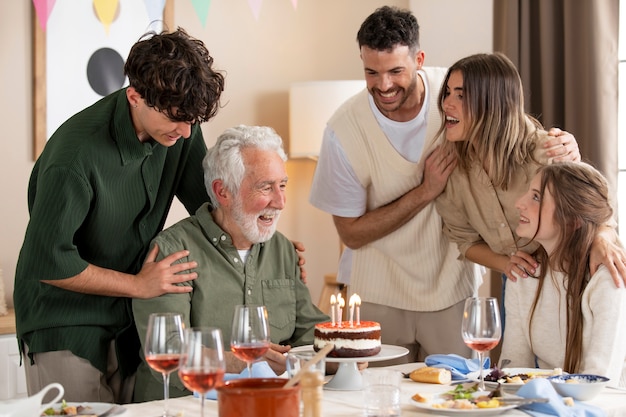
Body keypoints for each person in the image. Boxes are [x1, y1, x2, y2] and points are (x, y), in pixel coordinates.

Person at [309, 6, 578, 362]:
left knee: (460, 397)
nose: (384, 85)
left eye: (396, 71)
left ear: (419, 59)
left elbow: (517, 131)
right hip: (379, 294)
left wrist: (565, 148)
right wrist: (425, 191)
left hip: (453, 292)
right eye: (371, 72)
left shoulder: (460, 93)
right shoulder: (343, 129)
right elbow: (352, 235)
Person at [13, 28, 226, 404]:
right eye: (178, 118)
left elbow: (212, 212)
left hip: (130, 322)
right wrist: (139, 286)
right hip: (64, 326)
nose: (187, 130)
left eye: (193, 119)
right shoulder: (74, 156)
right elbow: (48, 261)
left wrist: (268, 248)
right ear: (134, 96)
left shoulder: (182, 128)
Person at [132, 125, 329, 401]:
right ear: (223, 192)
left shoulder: (283, 249)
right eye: (265, 187)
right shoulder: (173, 252)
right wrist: (242, 361)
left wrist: (348, 353)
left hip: (263, 404)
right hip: (184, 407)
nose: (281, 201)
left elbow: (310, 334)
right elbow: (167, 350)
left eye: (282, 185)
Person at [434, 53, 626, 293]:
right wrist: (507, 264)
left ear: (492, 102)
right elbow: (465, 240)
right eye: (448, 93)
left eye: (461, 95)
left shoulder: (549, 151)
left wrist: (602, 239)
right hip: (519, 283)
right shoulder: (454, 171)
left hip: (577, 278)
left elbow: (601, 212)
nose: (446, 104)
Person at [501, 162, 626, 387]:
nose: (519, 204)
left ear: (572, 220)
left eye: (536, 197)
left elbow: (601, 384)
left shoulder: (608, 280)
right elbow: (512, 371)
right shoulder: (524, 275)